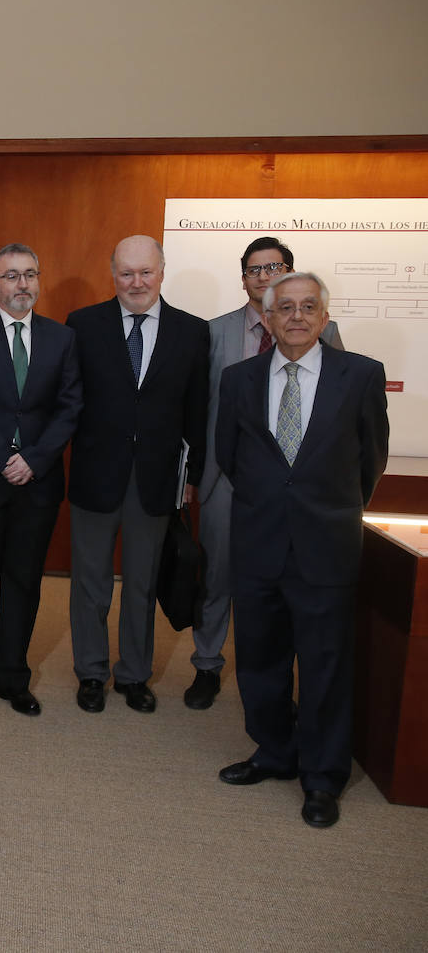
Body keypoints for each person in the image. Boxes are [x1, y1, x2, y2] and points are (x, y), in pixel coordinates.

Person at [216, 271, 387, 829]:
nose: (295, 316)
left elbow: (371, 463)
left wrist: (330, 510)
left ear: (323, 316)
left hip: (326, 547)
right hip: (259, 541)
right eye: (283, 307)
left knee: (324, 667)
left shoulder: (360, 375)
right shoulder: (239, 378)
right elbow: (229, 455)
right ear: (266, 318)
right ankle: (273, 752)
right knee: (260, 661)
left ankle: (322, 777)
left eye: (307, 307)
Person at [190, 237, 342, 710]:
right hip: (226, 478)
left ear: (289, 272)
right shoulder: (214, 332)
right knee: (217, 575)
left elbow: (340, 408)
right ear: (243, 279)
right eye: (254, 270)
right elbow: (201, 409)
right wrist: (196, 473)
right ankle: (207, 665)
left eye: (273, 267)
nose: (263, 276)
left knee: (288, 582)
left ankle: (285, 675)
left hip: (296, 486)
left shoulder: (326, 331)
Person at [66, 235, 207, 714]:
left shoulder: (192, 332)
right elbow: (71, 400)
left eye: (146, 272)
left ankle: (133, 675)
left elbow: (197, 409)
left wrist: (195, 474)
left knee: (143, 581)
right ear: (113, 274)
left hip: (156, 477)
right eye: (126, 273)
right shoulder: (82, 325)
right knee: (91, 581)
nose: (136, 282)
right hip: (94, 474)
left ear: (162, 272)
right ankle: (90, 672)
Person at [0, 243, 81, 716]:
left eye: (29, 274)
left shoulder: (61, 339)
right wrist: (4, 456)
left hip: (38, 483)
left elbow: (69, 408)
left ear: (38, 280)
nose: (22, 284)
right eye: (11, 276)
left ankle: (13, 678)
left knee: (24, 581)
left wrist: (35, 459)